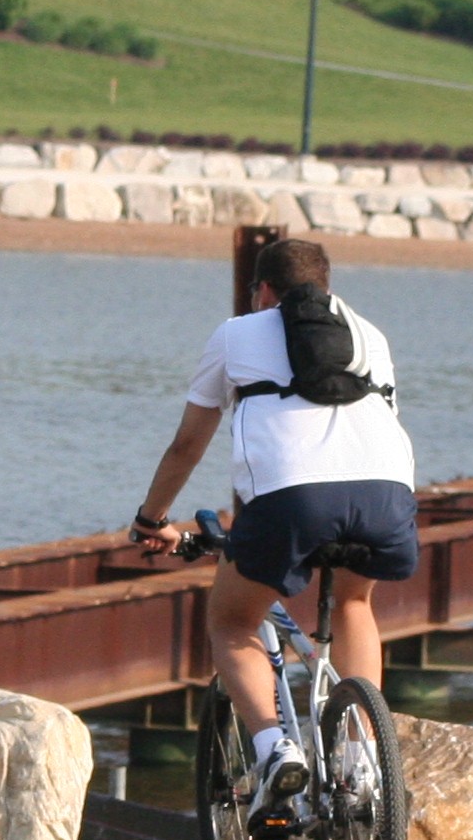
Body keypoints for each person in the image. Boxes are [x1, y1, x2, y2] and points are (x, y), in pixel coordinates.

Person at [128, 237, 417, 803]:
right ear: (326, 287)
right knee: (355, 603)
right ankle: (359, 764)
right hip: (387, 495)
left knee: (232, 622)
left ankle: (275, 750)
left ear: (261, 291)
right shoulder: (371, 336)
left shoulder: (236, 333)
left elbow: (188, 445)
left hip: (291, 503)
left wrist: (152, 519)